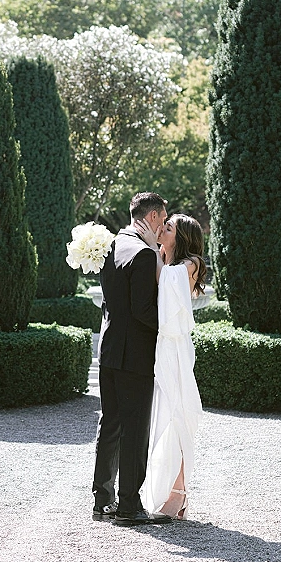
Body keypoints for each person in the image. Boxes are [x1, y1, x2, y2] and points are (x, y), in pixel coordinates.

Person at [92, 192, 173, 526]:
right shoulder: (141, 254)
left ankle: (102, 500)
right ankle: (129, 506)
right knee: (136, 429)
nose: (163, 227)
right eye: (163, 219)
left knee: (110, 424)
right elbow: (143, 311)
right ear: (152, 217)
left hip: (109, 351)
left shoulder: (112, 245)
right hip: (135, 355)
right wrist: (171, 325)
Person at [135, 213, 206, 520]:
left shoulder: (191, 264)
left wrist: (154, 250)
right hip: (161, 345)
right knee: (164, 415)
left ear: (182, 236)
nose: (161, 230)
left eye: (168, 227)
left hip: (176, 348)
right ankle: (172, 491)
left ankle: (178, 494)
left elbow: (167, 282)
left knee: (177, 415)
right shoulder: (165, 260)